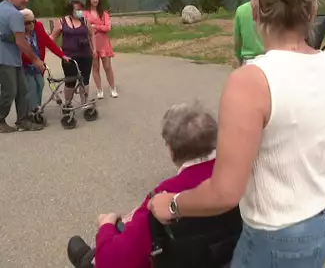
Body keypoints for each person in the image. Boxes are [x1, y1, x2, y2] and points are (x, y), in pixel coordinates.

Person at [148, 0, 325, 268]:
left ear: (255, 9)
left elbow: (225, 192)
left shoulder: (249, 81)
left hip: (281, 237)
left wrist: (172, 204)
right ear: (311, 10)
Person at [66, 100, 241, 268]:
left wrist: (105, 225)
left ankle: (86, 258)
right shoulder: (239, 174)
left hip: (179, 260)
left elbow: (111, 263)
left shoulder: (165, 195)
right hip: (228, 255)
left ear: (171, 150)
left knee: (98, 254)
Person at [0, 0, 44, 132]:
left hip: (12, 58)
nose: (26, 0)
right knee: (10, 91)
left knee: (22, 89)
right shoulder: (15, 14)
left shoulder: (2, 8)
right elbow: (21, 42)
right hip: (6, 59)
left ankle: (23, 120)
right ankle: (0, 121)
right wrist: (36, 60)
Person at [19, 8, 71, 116]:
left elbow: (48, 42)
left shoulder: (38, 27)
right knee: (31, 87)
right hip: (25, 65)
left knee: (40, 84)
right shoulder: (18, 33)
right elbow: (21, 52)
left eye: (33, 21)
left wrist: (62, 55)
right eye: (27, 23)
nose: (31, 24)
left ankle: (36, 108)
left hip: (38, 65)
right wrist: (34, 60)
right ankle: (32, 111)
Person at [49, 0, 96, 111]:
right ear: (71, 10)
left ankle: (84, 103)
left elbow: (92, 34)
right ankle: (68, 103)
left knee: (84, 80)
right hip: (69, 56)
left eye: (81, 9)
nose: (80, 12)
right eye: (77, 9)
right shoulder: (62, 21)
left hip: (85, 55)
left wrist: (94, 48)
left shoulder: (84, 20)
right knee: (70, 81)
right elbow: (52, 38)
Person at [84, 0, 117, 99]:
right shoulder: (84, 13)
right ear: (89, 0)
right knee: (95, 67)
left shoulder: (104, 13)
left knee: (107, 67)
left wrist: (95, 26)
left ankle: (112, 88)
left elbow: (108, 28)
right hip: (91, 44)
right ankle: (99, 90)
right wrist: (96, 27)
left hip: (103, 43)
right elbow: (83, 26)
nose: (95, 0)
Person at [233, 0, 265, 66]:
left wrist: (239, 57)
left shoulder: (241, 10)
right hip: (267, 58)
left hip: (248, 60)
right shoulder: (270, 11)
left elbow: (237, 40)